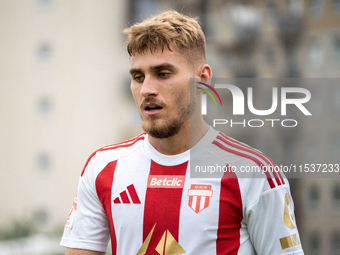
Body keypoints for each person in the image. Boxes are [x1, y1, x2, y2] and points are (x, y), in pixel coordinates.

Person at [61, 11, 304, 255]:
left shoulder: (254, 173)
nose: (146, 89)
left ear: (203, 79)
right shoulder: (102, 168)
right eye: (138, 77)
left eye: (163, 74)